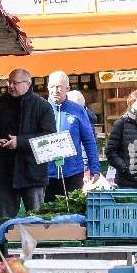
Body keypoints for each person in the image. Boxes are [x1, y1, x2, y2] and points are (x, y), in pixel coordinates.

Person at [0, 69, 57, 218]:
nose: (10, 86)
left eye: (15, 83)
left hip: (33, 174)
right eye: (9, 82)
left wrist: (20, 142)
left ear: (27, 84)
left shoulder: (42, 105)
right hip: (6, 173)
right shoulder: (0, 103)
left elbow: (49, 137)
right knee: (6, 222)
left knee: (37, 220)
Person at [43, 71, 100, 200]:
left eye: (59, 87)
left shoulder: (77, 110)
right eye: (52, 86)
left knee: (72, 213)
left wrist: (94, 168)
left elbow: (89, 140)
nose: (55, 90)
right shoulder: (41, 109)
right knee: (48, 215)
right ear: (47, 87)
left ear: (67, 89)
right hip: (45, 174)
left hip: (73, 172)